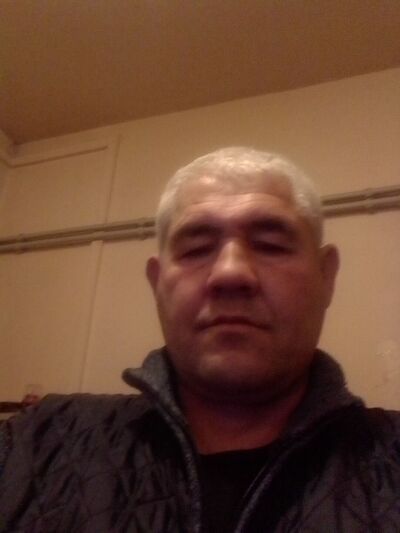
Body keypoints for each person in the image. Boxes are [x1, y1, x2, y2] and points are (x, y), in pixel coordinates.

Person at [0, 147, 399, 532]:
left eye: (271, 245)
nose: (230, 273)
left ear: (326, 277)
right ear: (157, 284)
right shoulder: (33, 444)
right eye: (195, 249)